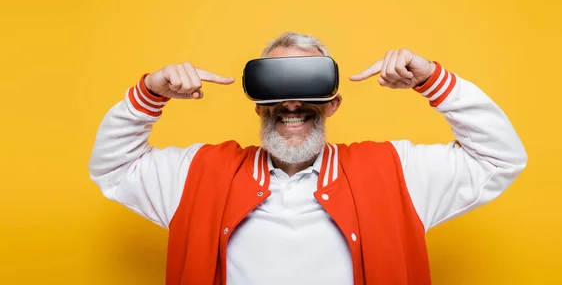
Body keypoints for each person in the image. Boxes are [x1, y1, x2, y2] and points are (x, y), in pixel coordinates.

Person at [89, 31, 527, 285]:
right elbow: (114, 167)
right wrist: (150, 94)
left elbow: (498, 158)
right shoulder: (198, 174)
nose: (292, 103)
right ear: (259, 104)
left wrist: (432, 80)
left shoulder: (396, 173)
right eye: (277, 90)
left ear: (333, 103)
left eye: (308, 88)